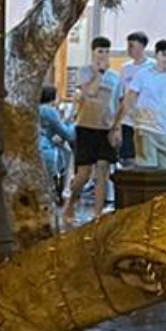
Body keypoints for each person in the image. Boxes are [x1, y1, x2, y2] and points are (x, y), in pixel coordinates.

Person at [65, 36, 124, 224]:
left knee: (103, 170)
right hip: (86, 127)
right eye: (100, 51)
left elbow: (120, 104)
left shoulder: (115, 77)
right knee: (83, 174)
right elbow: (89, 92)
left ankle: (97, 215)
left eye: (107, 51)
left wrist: (117, 128)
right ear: (93, 53)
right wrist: (99, 74)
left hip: (105, 129)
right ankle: (71, 203)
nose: (104, 55)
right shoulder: (85, 72)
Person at [119, 39, 166, 172]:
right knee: (147, 170)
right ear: (157, 55)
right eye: (164, 55)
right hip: (145, 129)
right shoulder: (143, 74)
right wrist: (129, 118)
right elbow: (129, 98)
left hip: (165, 129)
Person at [116, 31, 150, 165]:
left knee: (144, 157)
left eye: (132, 46)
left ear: (142, 47)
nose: (129, 49)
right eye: (128, 46)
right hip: (128, 120)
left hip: (146, 120)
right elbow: (121, 94)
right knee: (128, 157)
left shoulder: (151, 67)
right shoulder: (125, 68)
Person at [37, 84, 75, 189]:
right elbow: (67, 134)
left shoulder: (37, 108)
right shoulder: (49, 111)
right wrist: (75, 124)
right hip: (46, 150)